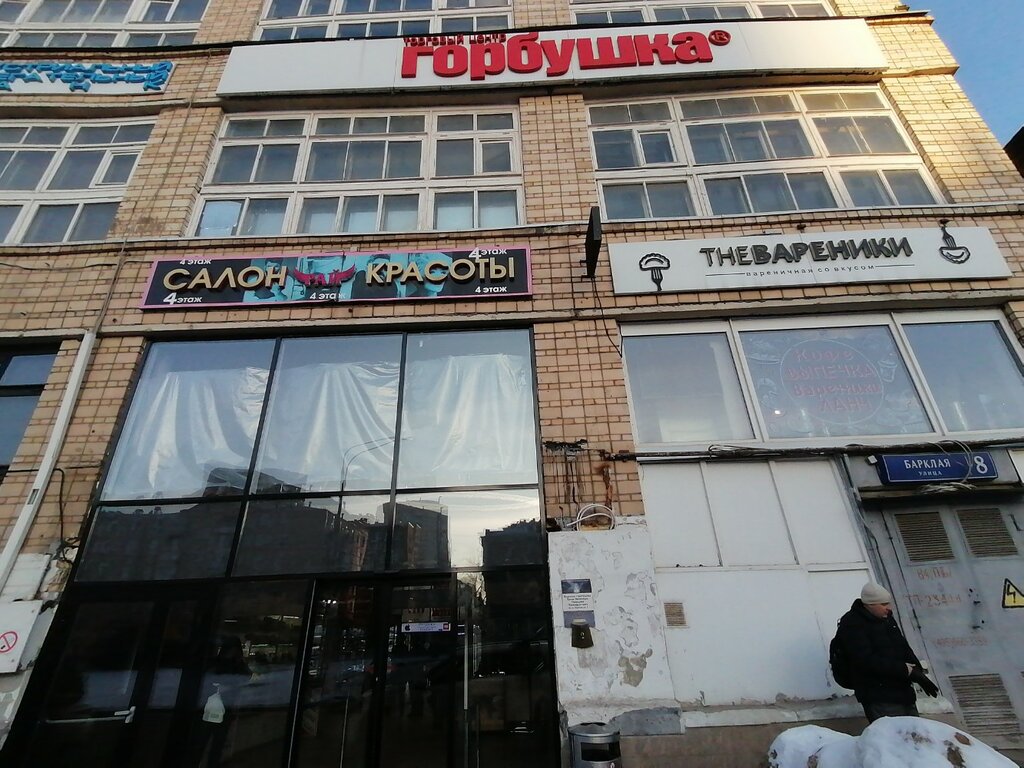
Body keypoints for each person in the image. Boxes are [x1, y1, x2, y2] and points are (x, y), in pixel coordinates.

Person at [836, 581, 939, 722]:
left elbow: (902, 646)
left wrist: (917, 672)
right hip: (879, 696)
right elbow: (864, 660)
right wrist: (903, 669)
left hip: (903, 691)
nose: (888, 608)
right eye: (884, 604)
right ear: (870, 605)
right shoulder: (852, 623)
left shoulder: (887, 619)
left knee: (914, 732)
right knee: (894, 733)